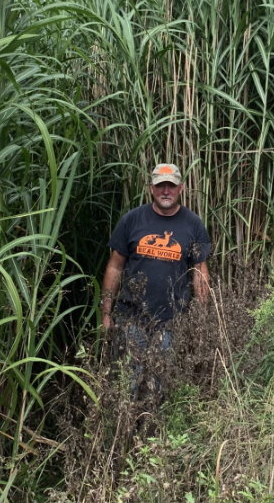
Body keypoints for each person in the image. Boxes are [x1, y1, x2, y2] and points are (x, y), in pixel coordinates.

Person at [99, 163, 211, 390]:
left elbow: (200, 274)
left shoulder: (193, 224)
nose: (166, 191)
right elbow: (114, 268)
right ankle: (127, 427)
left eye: (171, 185)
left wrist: (201, 319)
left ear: (181, 188)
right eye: (161, 186)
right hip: (131, 321)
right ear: (151, 188)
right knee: (127, 387)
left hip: (171, 323)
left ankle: (156, 426)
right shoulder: (132, 220)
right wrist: (106, 314)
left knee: (161, 389)